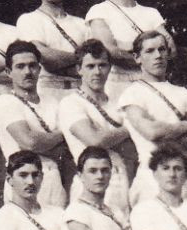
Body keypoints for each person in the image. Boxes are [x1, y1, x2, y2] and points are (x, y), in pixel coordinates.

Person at [119, 30, 187, 203]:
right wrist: (184, 126)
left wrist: (166, 139)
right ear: (137, 57)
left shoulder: (182, 93)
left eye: (162, 49)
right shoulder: (132, 94)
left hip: (184, 174)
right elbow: (151, 132)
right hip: (151, 174)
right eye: (149, 51)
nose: (158, 56)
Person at [86, 0, 172, 102]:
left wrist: (124, 45)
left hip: (153, 87)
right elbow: (110, 52)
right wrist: (151, 56)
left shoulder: (151, 14)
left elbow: (170, 50)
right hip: (118, 88)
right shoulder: (99, 11)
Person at [56, 40, 135, 213]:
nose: (97, 72)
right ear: (79, 70)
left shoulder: (118, 104)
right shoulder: (71, 103)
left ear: (109, 68)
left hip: (123, 178)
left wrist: (110, 136)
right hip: (91, 180)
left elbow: (130, 146)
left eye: (102, 65)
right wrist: (130, 128)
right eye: (90, 66)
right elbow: (95, 141)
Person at [0, 41, 69, 209]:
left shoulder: (52, 102)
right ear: (8, 72)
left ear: (39, 69)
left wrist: (45, 142)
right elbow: (29, 142)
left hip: (54, 178)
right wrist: (62, 134)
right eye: (20, 66)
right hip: (22, 179)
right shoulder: (6, 101)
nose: (27, 72)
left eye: (32, 66)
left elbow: (66, 149)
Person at [14, 0, 90, 114]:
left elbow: (93, 61)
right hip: (47, 92)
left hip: (80, 92)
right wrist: (80, 58)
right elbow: (44, 57)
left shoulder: (80, 23)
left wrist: (68, 61)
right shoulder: (29, 20)